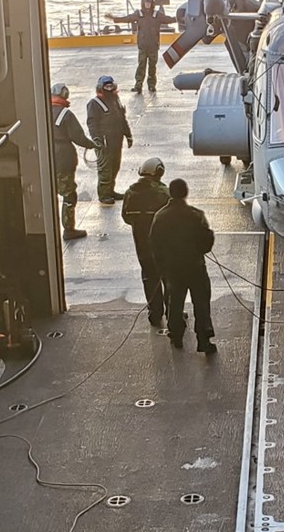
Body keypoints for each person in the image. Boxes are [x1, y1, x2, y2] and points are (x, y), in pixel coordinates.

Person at [149, 177, 216, 354]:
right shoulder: (195, 215)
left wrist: (162, 267)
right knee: (201, 302)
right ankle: (204, 339)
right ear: (185, 192)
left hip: (173, 268)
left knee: (175, 301)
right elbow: (207, 242)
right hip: (195, 266)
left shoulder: (160, 217)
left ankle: (176, 335)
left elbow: (154, 245)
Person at [121, 156, 170, 329]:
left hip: (142, 245)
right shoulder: (164, 192)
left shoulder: (130, 192)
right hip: (164, 245)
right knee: (169, 278)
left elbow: (126, 217)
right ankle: (172, 313)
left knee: (149, 278)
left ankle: (154, 314)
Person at [51, 81, 95, 240]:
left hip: (46, 157)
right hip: (63, 158)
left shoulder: (42, 111)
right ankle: (68, 229)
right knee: (69, 194)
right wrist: (92, 145)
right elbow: (78, 137)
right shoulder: (65, 115)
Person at [85, 74, 133, 205]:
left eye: (111, 85)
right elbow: (92, 123)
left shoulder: (115, 100)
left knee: (115, 167)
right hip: (104, 143)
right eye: (106, 85)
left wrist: (128, 135)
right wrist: (97, 139)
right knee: (105, 169)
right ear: (101, 87)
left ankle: (111, 191)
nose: (109, 87)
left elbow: (122, 119)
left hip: (116, 141)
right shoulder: (94, 104)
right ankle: (104, 194)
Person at [128, 0, 174, 93]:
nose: (147, 4)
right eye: (146, 2)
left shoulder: (157, 15)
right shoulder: (138, 14)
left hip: (153, 46)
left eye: (149, 2)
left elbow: (168, 20)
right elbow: (127, 18)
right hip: (143, 46)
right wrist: (114, 19)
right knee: (141, 65)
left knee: (152, 66)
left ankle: (152, 85)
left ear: (152, 3)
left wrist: (180, 18)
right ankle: (138, 85)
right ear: (143, 3)